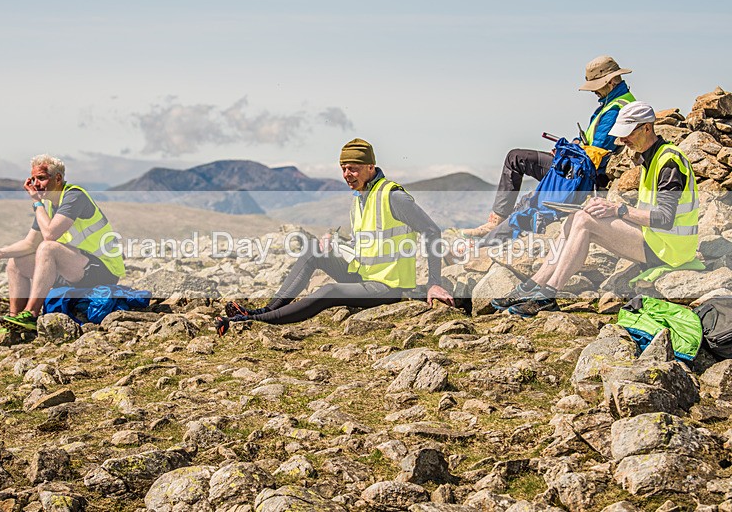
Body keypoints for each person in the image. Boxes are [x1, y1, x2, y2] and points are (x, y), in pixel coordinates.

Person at [215, 138, 455, 335]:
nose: (347, 174)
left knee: (329, 292)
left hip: (388, 287)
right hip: (364, 276)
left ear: (371, 167)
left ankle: (253, 322)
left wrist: (434, 283)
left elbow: (432, 231)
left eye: (353, 168)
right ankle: (260, 311)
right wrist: (337, 244)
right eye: (343, 168)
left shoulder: (392, 196)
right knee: (313, 252)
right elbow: (369, 243)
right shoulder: (361, 196)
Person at [490, 101, 699, 317]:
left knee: (584, 221)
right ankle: (533, 286)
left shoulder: (669, 161)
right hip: (660, 241)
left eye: (627, 133)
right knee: (575, 217)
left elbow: (665, 218)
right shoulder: (653, 158)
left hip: (671, 248)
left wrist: (618, 209)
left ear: (647, 128)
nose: (623, 140)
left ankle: (547, 295)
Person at [463, 55, 636, 238]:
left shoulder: (615, 109)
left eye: (596, 86)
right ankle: (498, 226)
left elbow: (597, 151)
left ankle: (495, 222)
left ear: (611, 81)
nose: (594, 92)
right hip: (580, 167)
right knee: (524, 187)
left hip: (580, 173)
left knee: (515, 158)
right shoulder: (616, 102)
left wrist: (567, 150)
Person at [0, 154, 125, 329]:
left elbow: (50, 235)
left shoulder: (74, 196)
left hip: (103, 271)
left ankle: (31, 314)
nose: (36, 184)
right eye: (33, 179)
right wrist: (1, 252)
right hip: (76, 269)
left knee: (47, 248)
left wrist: (37, 203)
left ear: (58, 178)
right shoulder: (48, 208)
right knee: (15, 263)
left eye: (41, 178)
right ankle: (14, 321)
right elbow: (30, 244)